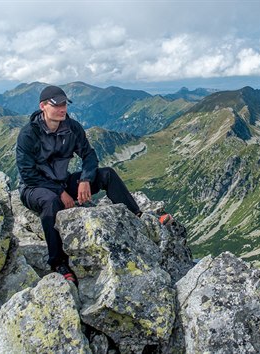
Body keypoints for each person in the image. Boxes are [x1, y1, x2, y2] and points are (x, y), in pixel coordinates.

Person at [16, 85, 171, 285]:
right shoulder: (28, 134)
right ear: (43, 106)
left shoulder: (71, 128)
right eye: (57, 105)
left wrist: (85, 179)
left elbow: (89, 155)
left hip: (62, 181)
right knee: (51, 203)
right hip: (34, 188)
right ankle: (58, 263)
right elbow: (27, 174)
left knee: (107, 175)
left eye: (64, 104)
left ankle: (138, 218)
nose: (62, 109)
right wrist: (61, 192)